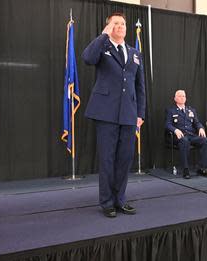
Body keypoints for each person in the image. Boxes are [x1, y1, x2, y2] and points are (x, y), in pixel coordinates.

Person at [82, 12, 146, 218]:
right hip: (106, 113)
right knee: (107, 159)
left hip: (129, 114)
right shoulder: (103, 47)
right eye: (116, 23)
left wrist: (140, 113)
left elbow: (140, 86)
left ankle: (120, 199)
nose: (120, 26)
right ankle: (107, 202)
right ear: (108, 27)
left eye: (123, 23)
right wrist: (103, 36)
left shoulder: (135, 53)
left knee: (124, 159)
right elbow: (87, 58)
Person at [165, 90, 207, 179]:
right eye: (180, 96)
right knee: (184, 141)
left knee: (206, 140)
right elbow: (167, 124)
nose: (182, 98)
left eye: (184, 96)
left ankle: (202, 168)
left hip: (191, 135)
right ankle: (185, 169)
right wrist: (175, 130)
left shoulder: (191, 110)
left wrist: (201, 128)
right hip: (179, 136)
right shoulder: (171, 111)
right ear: (175, 99)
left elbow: (197, 122)